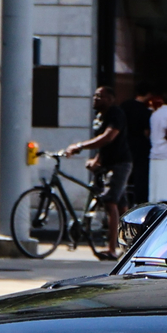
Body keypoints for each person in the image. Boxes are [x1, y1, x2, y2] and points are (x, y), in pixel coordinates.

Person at [60, 87, 130, 253]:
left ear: (111, 99)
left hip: (119, 163)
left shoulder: (116, 114)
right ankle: (129, 244)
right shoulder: (100, 116)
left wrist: (79, 146)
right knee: (121, 206)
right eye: (95, 95)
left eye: (101, 96)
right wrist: (97, 160)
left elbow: (108, 137)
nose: (96, 98)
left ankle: (111, 248)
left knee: (110, 202)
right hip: (107, 163)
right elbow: (104, 145)